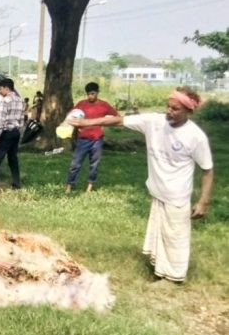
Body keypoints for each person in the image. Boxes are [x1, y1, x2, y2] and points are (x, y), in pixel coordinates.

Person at [70, 87, 213, 282]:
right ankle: (161, 271)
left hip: (177, 196)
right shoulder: (154, 122)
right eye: (168, 106)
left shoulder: (195, 136)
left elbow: (207, 169)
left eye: (175, 109)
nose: (169, 111)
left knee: (175, 239)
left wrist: (203, 201)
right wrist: (85, 122)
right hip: (157, 192)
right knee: (161, 237)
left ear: (188, 111)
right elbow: (118, 120)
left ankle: (174, 278)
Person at [65, 82, 119, 193]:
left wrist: (105, 124)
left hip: (97, 140)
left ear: (98, 92)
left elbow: (117, 117)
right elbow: (70, 117)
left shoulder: (104, 105)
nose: (90, 96)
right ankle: (69, 186)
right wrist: (76, 126)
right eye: (88, 94)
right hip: (83, 139)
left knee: (94, 164)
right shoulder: (81, 104)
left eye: (93, 93)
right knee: (75, 164)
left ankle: (89, 187)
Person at [0, 78, 25, 194]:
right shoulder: (20, 100)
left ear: (7, 88)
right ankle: (17, 183)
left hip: (6, 132)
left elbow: (1, 121)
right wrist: (19, 132)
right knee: (13, 159)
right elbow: (22, 119)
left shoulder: (5, 101)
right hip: (16, 132)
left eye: (1, 89)